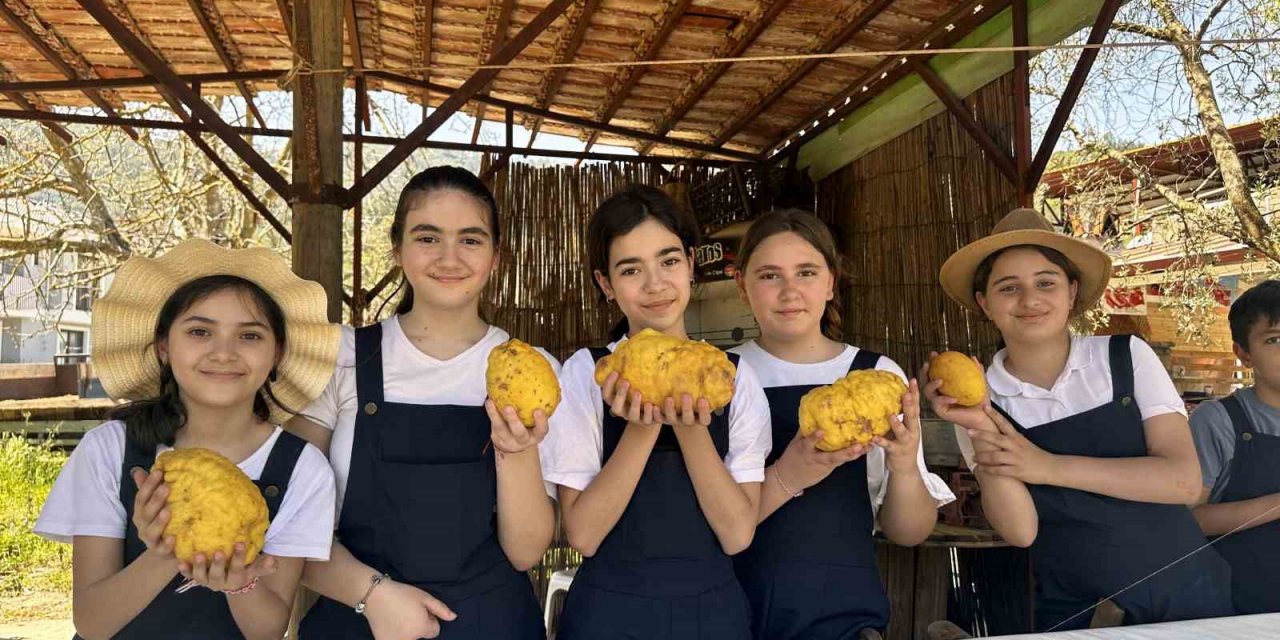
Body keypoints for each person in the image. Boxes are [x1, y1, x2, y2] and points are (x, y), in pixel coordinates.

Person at [926, 208, 1234, 631]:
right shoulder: (979, 397)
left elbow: (1181, 483)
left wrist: (1047, 467)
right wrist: (981, 426)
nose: (1030, 300)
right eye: (1008, 287)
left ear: (1072, 291)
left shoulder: (1126, 357)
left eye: (1046, 283)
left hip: (1186, 597)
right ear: (984, 303)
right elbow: (1021, 531)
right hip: (1078, 612)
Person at [291, 166, 554, 640]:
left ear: (497, 256)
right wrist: (374, 595)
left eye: (471, 240)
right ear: (398, 250)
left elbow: (526, 552)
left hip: (491, 625)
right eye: (428, 237)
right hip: (359, 618)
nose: (449, 258)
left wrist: (517, 450)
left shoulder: (533, 374)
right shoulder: (341, 359)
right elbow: (288, 523)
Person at [35, 239, 340, 640]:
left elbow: (267, 629)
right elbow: (92, 622)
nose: (223, 353)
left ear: (277, 353)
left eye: (249, 336)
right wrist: (165, 551)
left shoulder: (302, 469)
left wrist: (239, 583)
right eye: (200, 331)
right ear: (164, 346)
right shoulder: (111, 450)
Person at [540, 185, 771, 639]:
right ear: (606, 284)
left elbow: (738, 534)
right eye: (630, 270)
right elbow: (582, 535)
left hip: (712, 615)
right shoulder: (586, 374)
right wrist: (641, 430)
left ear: (690, 264)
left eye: (668, 261)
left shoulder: (734, 379)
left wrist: (689, 431)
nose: (655, 284)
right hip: (608, 615)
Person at [729, 209, 955, 640]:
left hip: (844, 615)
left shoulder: (875, 375)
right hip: (733, 612)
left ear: (831, 282)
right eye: (769, 275)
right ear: (743, 286)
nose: (790, 290)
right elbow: (707, 519)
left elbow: (909, 532)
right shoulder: (724, 376)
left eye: (807, 272)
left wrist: (905, 466)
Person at [1189, 279, 1280, 614]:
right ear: (1243, 353)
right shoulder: (1219, 420)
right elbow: (1188, 520)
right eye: (1275, 339)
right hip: (1238, 611)